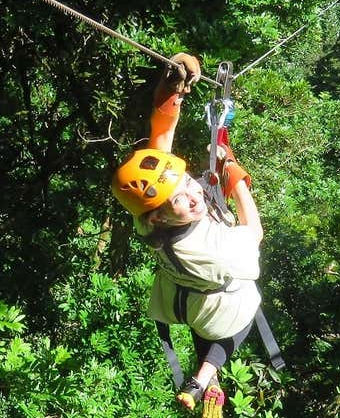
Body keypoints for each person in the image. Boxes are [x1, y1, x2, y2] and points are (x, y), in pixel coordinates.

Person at [111, 54, 263, 415]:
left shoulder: (148, 215)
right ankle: (207, 374)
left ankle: (200, 382)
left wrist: (171, 90)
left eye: (187, 183)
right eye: (181, 199)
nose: (194, 195)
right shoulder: (209, 249)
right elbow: (254, 233)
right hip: (217, 308)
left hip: (186, 298)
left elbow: (161, 139)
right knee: (241, 314)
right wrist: (235, 177)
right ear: (162, 216)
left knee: (204, 331)